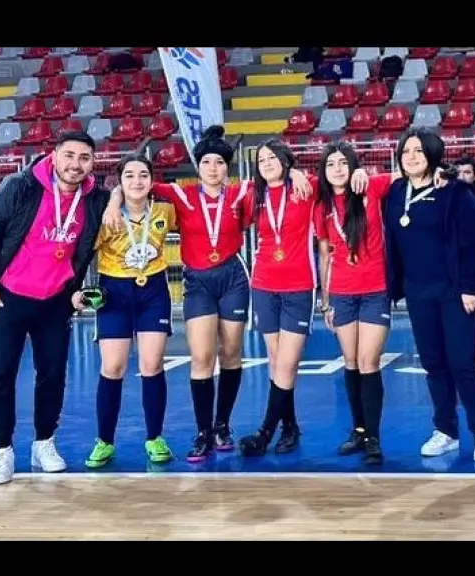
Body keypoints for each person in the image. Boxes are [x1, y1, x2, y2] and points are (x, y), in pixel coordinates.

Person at [103, 125, 309, 462]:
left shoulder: (242, 193)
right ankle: (203, 433)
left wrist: (295, 170)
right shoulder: (180, 194)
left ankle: (222, 425)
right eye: (207, 162)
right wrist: (113, 201)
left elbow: (276, 180)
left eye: (220, 162)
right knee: (201, 357)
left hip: (233, 279)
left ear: (228, 167)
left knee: (231, 353)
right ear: (197, 166)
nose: (213, 168)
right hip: (198, 282)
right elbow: (133, 184)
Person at [0, 131, 112, 485]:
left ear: (92, 163)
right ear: (54, 155)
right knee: (0, 374)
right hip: (7, 296)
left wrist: (74, 292)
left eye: (84, 158)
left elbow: (132, 191)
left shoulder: (96, 199)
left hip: (55, 301)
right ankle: (2, 449)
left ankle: (44, 442)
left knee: (52, 375)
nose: (75, 164)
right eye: (69, 155)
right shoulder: (20, 186)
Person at [384, 128, 475, 464]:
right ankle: (445, 431)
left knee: (463, 363)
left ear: (432, 154)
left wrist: (470, 286)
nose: (411, 157)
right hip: (418, 293)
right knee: (433, 363)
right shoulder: (396, 191)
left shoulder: (455, 191)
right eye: (406, 151)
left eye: (418, 151)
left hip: (456, 292)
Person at [85, 154, 175, 468]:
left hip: (153, 292)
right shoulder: (106, 215)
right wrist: (75, 291)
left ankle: (155, 437)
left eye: (143, 175)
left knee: (152, 364)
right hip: (114, 293)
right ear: (120, 181)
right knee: (113, 367)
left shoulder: (165, 210)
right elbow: (82, 253)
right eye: (129, 176)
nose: (137, 181)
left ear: (152, 180)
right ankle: (104, 441)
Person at [313, 141, 394, 466]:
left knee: (368, 361)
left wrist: (366, 174)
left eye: (343, 163)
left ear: (353, 166)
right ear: (324, 170)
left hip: (375, 289)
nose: (337, 169)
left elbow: (404, 173)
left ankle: (373, 436)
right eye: (331, 164)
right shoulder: (322, 206)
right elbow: (324, 255)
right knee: (351, 362)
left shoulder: (370, 188)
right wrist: (325, 301)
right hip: (342, 293)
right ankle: (359, 430)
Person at [237, 139, 317, 456]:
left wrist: (296, 172)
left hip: (298, 284)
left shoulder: (306, 187)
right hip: (264, 284)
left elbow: (338, 178)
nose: (267, 163)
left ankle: (266, 431)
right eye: (261, 160)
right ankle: (290, 426)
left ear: (285, 160)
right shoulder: (253, 195)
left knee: (287, 362)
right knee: (275, 361)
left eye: (273, 157)